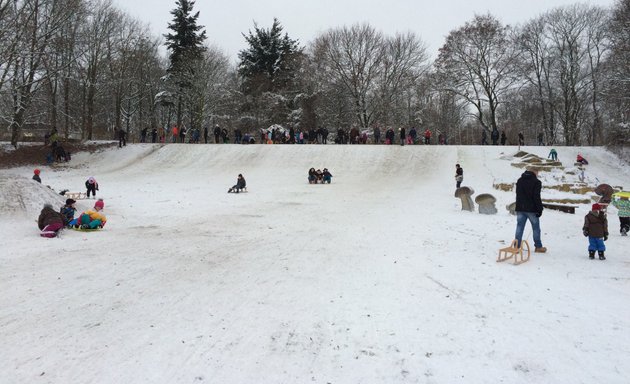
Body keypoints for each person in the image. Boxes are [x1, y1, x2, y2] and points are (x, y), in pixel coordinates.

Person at [514, 167, 546, 253]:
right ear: (535, 172)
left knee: (519, 227)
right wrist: (540, 209)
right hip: (532, 209)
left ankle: (516, 247)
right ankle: (538, 246)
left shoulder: (520, 180)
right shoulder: (536, 182)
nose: (537, 175)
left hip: (520, 208)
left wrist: (519, 206)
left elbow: (518, 194)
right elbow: (536, 197)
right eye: (537, 173)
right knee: (536, 228)